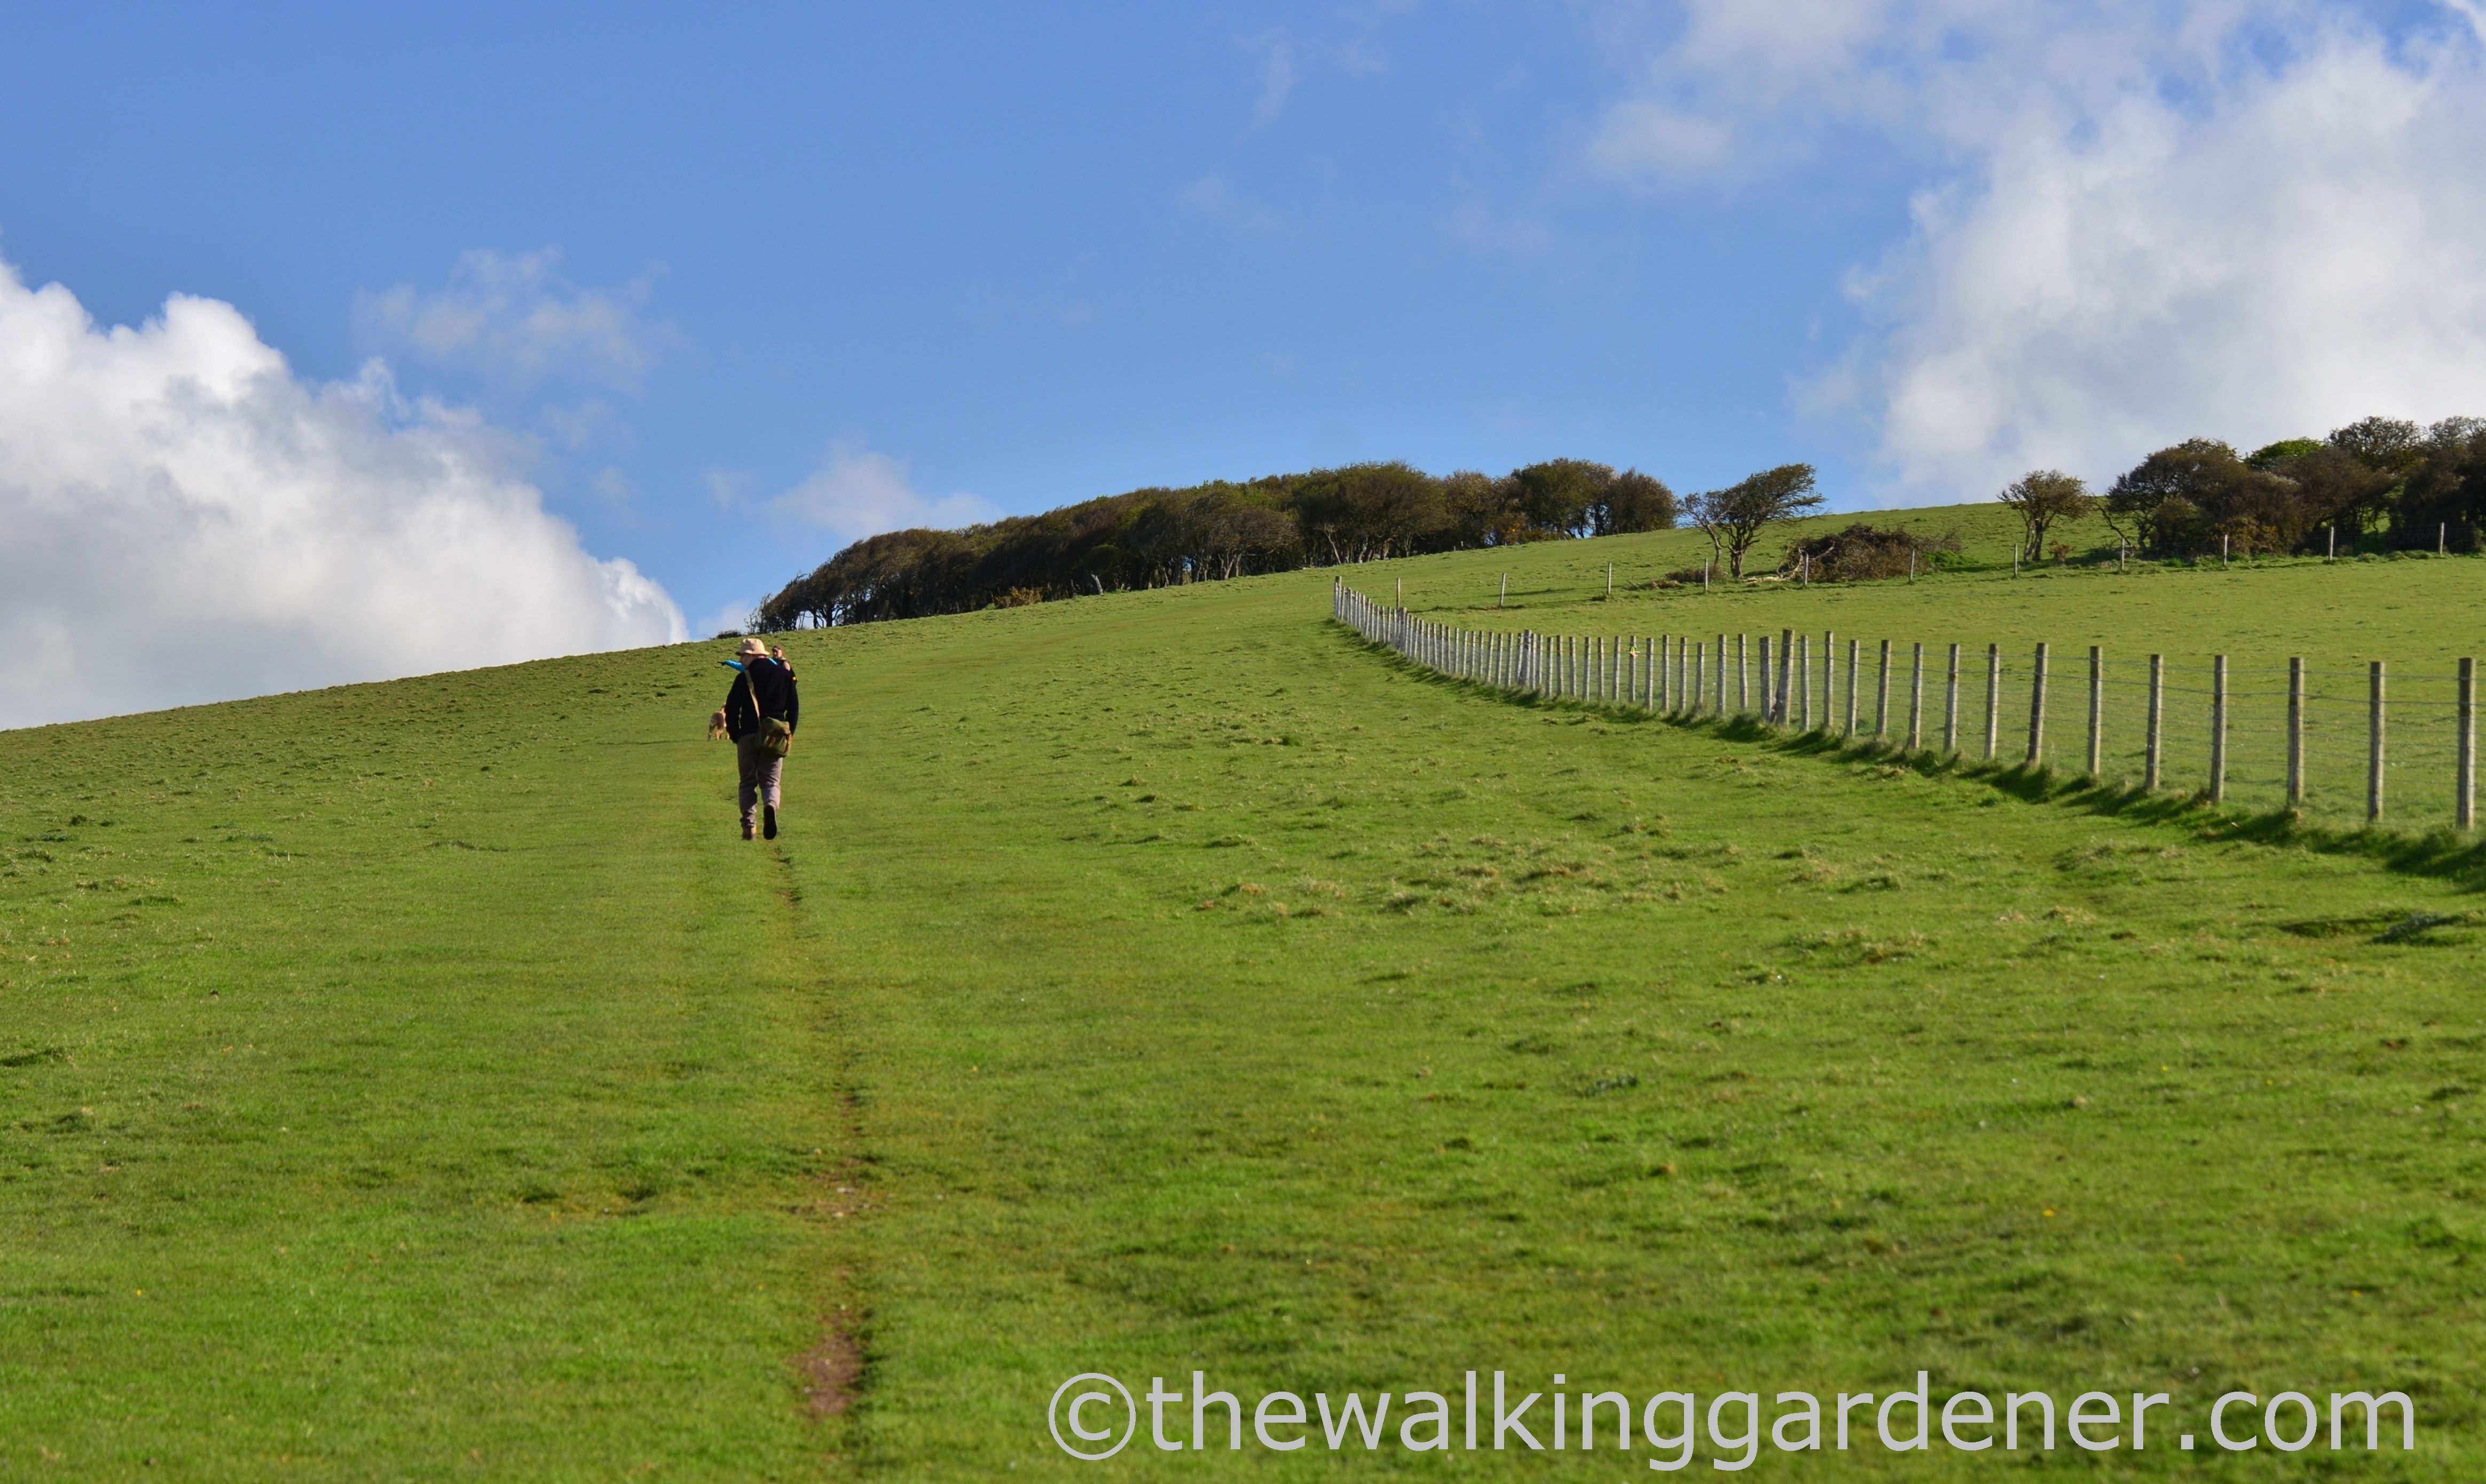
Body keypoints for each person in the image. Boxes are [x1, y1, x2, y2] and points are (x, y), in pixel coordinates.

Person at [713, 636, 800, 840]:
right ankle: (770, 806)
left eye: (743, 656)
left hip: (748, 736)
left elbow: (732, 709)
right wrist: (789, 734)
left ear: (751, 656)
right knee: (771, 782)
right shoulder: (784, 675)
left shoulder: (744, 678)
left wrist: (736, 735)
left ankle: (749, 829)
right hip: (776, 736)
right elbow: (794, 708)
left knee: (747, 783)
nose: (742, 660)